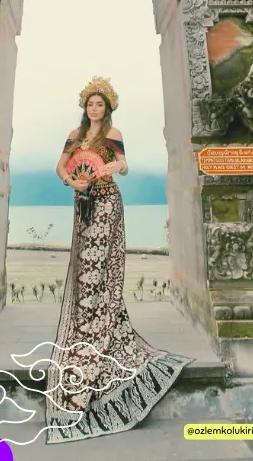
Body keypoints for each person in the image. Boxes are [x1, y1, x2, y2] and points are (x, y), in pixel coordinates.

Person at [43, 77, 191, 444]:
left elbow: (124, 163)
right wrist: (72, 182)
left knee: (99, 267)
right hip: (83, 203)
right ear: (85, 108)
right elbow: (61, 167)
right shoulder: (75, 134)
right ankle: (88, 319)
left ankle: (98, 320)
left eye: (101, 105)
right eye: (91, 105)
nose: (96, 110)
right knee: (83, 270)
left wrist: (112, 168)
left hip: (108, 202)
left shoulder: (113, 133)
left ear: (108, 108)